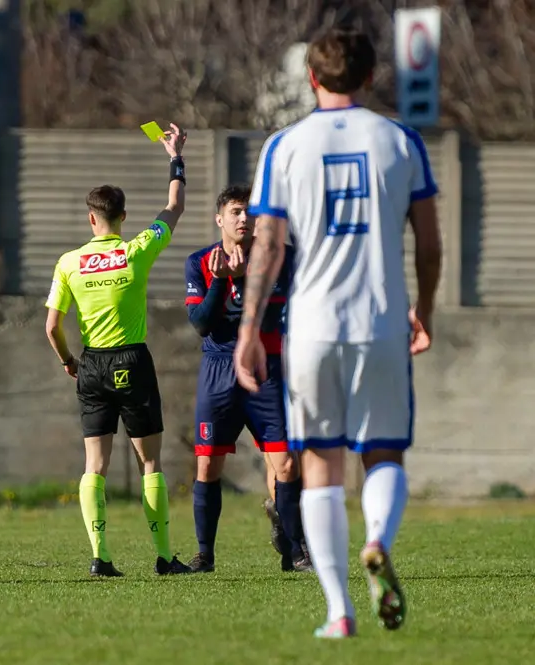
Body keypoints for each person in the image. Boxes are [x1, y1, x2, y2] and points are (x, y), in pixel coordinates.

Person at [235, 28, 442, 638]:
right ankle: (377, 539)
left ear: (312, 79)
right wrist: (423, 309)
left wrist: (250, 327)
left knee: (320, 464)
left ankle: (339, 612)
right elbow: (429, 242)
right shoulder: (401, 141)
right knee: (383, 452)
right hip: (380, 320)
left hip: (313, 327)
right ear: (371, 77)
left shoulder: (284, 147)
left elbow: (268, 245)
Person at [44, 123, 192, 577]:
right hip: (131, 359)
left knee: (96, 464)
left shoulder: (69, 262)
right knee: (149, 461)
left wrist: (70, 361)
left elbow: (51, 326)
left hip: (91, 365)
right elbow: (174, 207)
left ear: (92, 219)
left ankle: (100, 557)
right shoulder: (135, 251)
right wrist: (175, 156)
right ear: (123, 217)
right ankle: (165, 558)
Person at [184, 184, 310, 574]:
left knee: (286, 465)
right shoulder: (201, 261)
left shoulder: (280, 259)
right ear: (219, 218)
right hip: (219, 369)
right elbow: (202, 324)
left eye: (250, 213)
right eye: (236, 212)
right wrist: (223, 280)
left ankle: (296, 551)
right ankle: (205, 555)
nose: (244, 220)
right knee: (207, 465)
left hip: (267, 369)